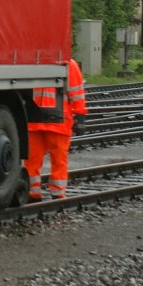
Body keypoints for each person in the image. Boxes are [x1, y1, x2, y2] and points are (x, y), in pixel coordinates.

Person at [24, 58, 87, 201]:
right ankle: (54, 192)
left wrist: (80, 115)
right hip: (55, 122)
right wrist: (80, 116)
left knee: (34, 160)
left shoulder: (35, 61)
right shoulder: (69, 64)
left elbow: (76, 92)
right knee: (56, 159)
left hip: (36, 121)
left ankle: (34, 191)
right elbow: (77, 92)